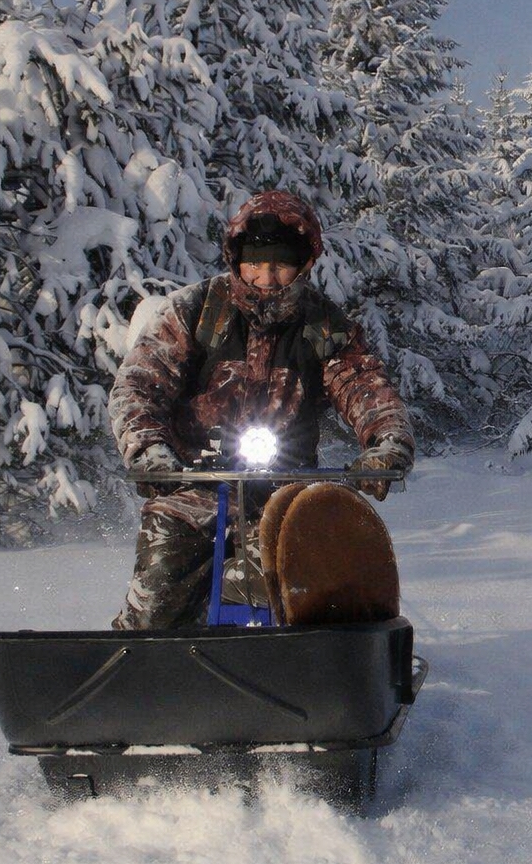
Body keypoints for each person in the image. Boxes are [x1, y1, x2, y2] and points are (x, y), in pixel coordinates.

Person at [108, 190, 414, 630]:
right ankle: (138, 657)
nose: (266, 277)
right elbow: (139, 384)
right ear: (236, 260)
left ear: (303, 265)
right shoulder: (195, 311)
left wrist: (386, 443)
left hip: (285, 496)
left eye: (280, 265)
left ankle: (320, 656)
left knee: (304, 592)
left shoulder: (324, 326)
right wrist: (148, 450)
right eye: (255, 263)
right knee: (158, 597)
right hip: (191, 488)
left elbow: (365, 387)